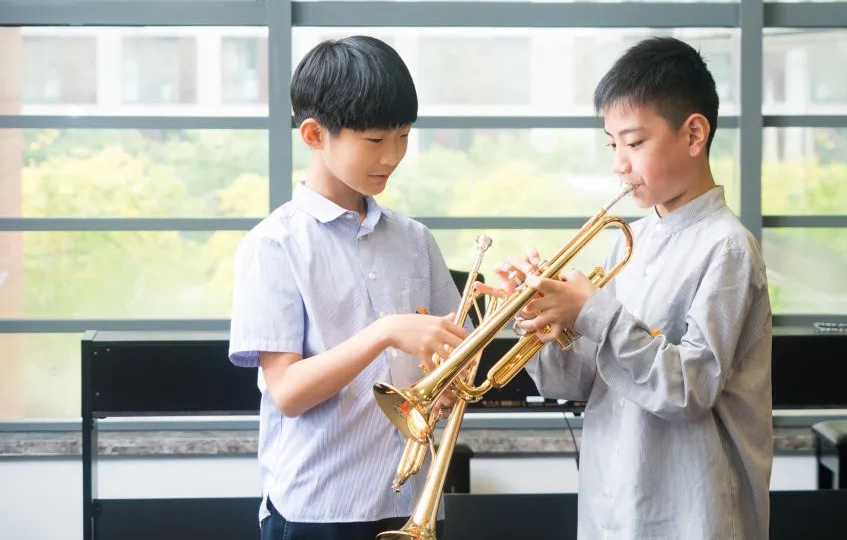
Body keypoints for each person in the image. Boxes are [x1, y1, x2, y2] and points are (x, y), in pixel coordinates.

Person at [489, 37, 773, 539]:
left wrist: (592, 312)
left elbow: (690, 389)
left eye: (635, 142)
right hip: (613, 506)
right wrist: (540, 321)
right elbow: (576, 384)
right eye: (612, 143)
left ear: (694, 134)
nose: (619, 162)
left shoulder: (727, 247)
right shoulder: (628, 240)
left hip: (693, 514)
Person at [228, 35, 468, 540]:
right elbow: (289, 392)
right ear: (315, 135)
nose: (394, 155)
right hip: (317, 509)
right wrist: (383, 334)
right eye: (376, 140)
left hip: (412, 500)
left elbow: (455, 352)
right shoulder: (273, 246)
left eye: (403, 136)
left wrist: (452, 376)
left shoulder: (415, 240)